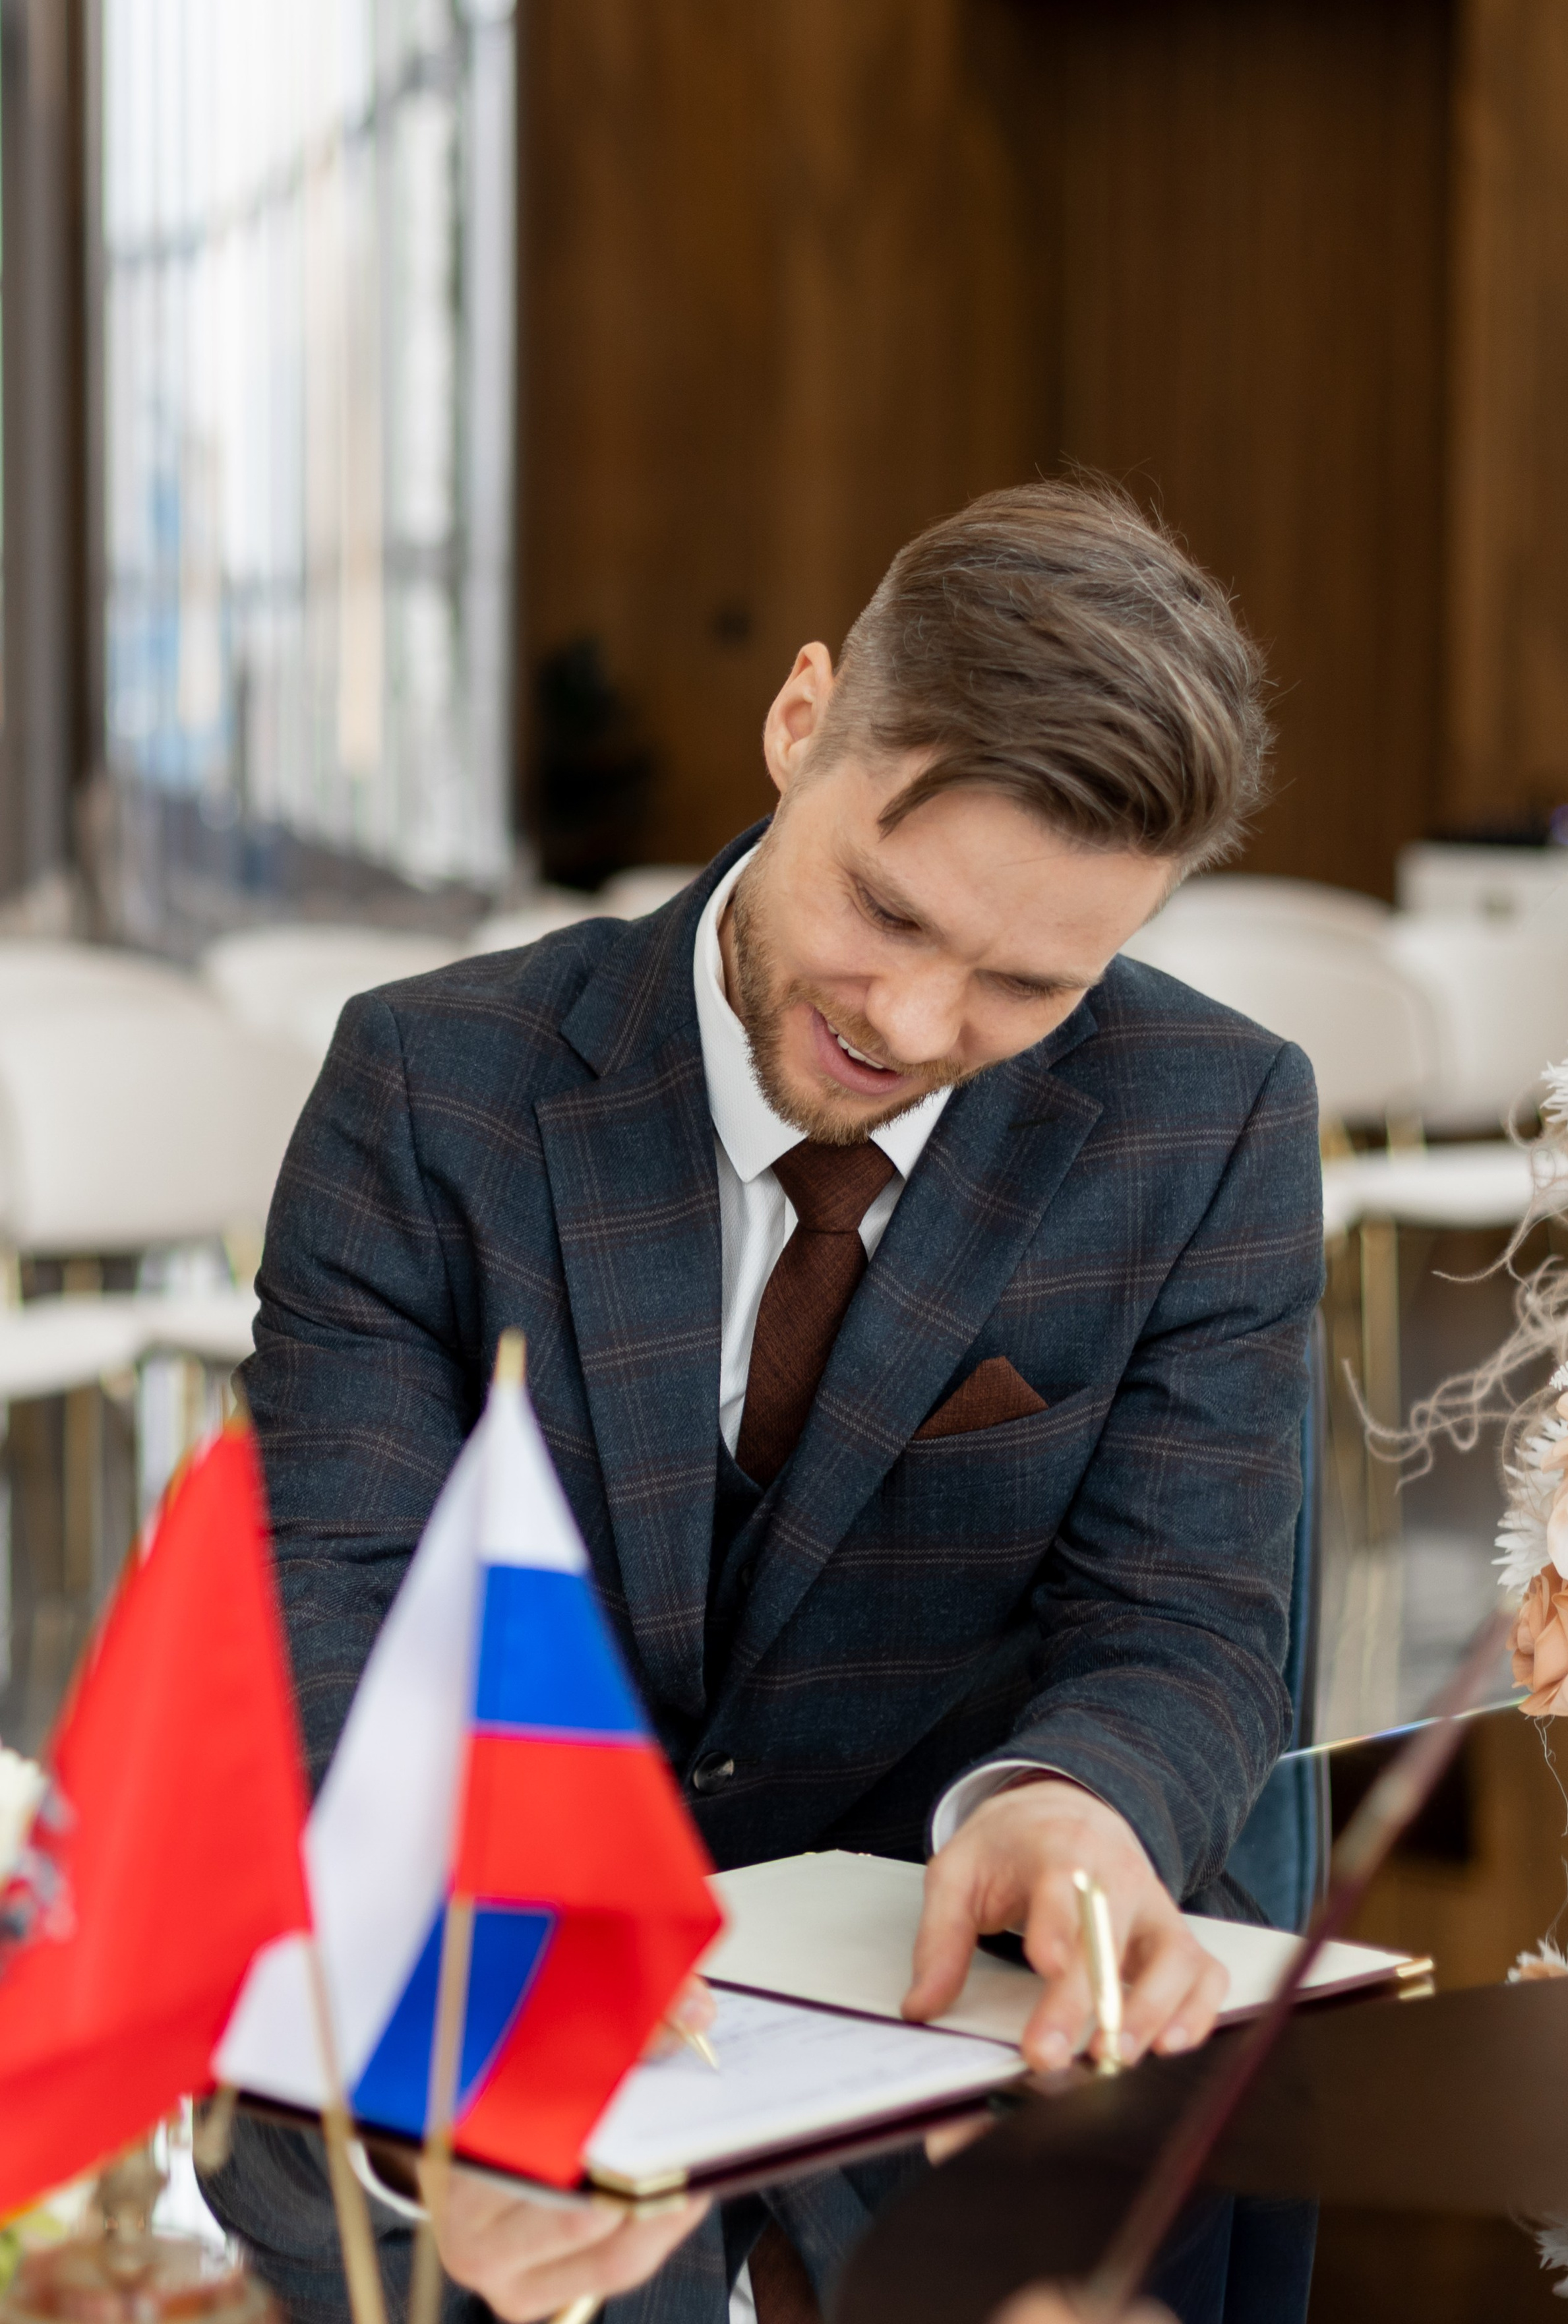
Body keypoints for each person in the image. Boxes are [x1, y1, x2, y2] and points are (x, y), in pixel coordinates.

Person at [202, 478, 1323, 2324]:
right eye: (884, 906)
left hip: (945, 2062)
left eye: (1032, 982)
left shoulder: (1211, 1124)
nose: (915, 1017)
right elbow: (337, 1600)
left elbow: (1187, 1622)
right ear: (804, 719)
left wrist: (1077, 1802)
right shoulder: (433, 1087)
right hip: (482, 2034)